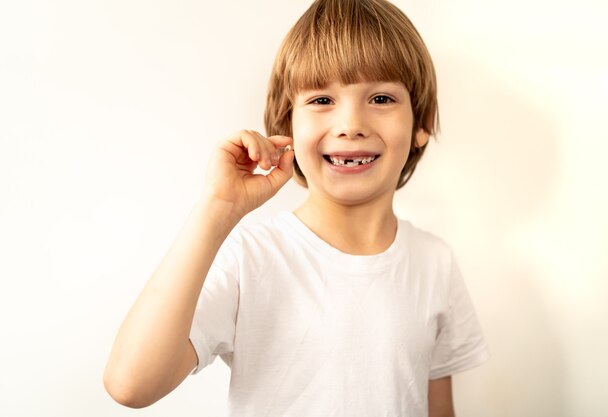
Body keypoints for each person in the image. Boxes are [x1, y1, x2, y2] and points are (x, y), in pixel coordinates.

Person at [104, 0, 489, 415]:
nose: (351, 123)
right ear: (288, 126)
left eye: (380, 97)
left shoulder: (435, 262)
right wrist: (217, 209)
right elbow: (131, 384)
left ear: (422, 124)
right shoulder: (251, 256)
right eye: (322, 100)